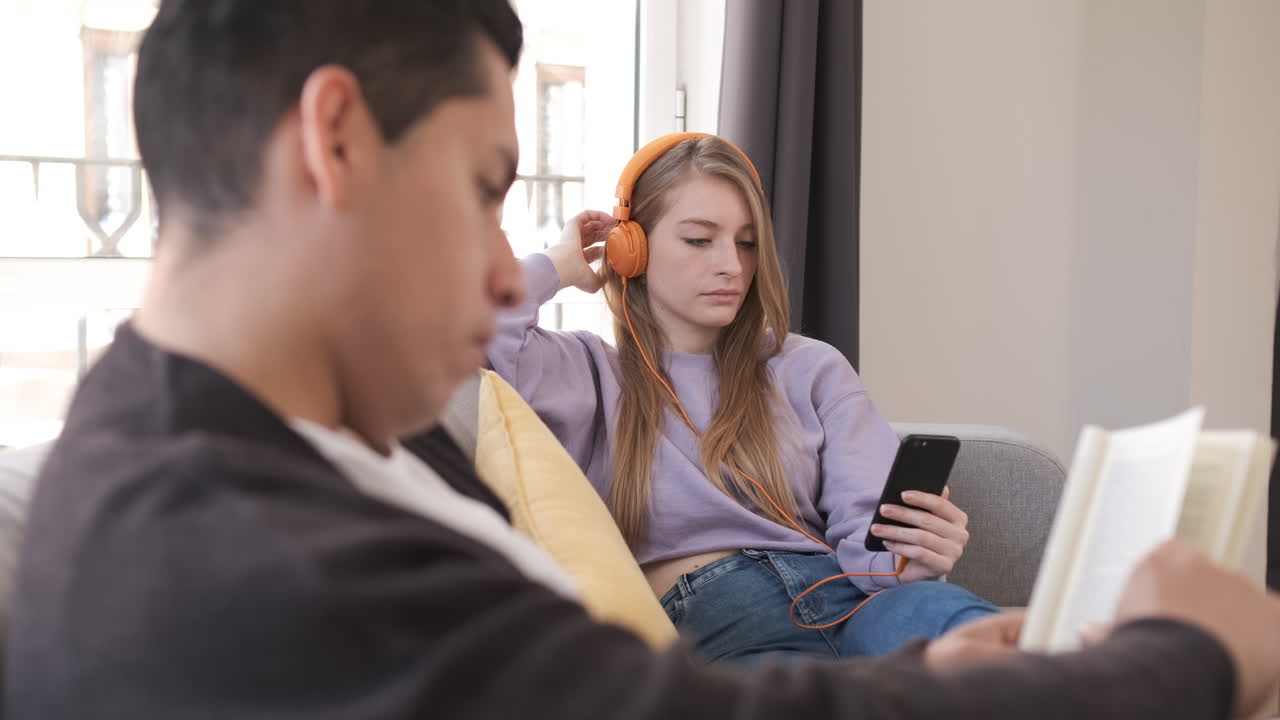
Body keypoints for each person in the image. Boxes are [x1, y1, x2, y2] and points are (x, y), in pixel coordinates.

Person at [5, 2, 1280, 719]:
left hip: (836, 604)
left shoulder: (254, 447)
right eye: (481, 188)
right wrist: (1182, 661)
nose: (502, 270)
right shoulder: (236, 547)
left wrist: (924, 640)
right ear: (334, 141)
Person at [487, 132, 998, 663]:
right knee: (803, 698)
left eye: (747, 243)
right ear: (630, 248)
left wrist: (912, 556)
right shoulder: (585, 371)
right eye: (699, 239)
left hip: (852, 598)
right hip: (722, 615)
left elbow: (871, 540)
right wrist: (557, 263)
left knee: (986, 643)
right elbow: (469, 340)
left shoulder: (810, 367)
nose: (731, 264)